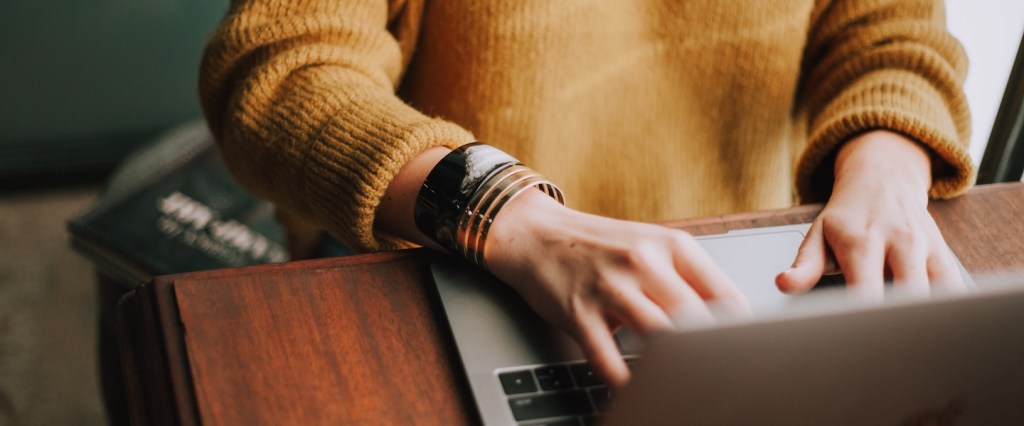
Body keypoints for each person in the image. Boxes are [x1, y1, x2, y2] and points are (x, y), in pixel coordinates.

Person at [199, 0, 975, 388]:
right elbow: (280, 67)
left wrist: (888, 164)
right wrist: (508, 213)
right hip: (444, 264)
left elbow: (892, 30)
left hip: (735, 287)